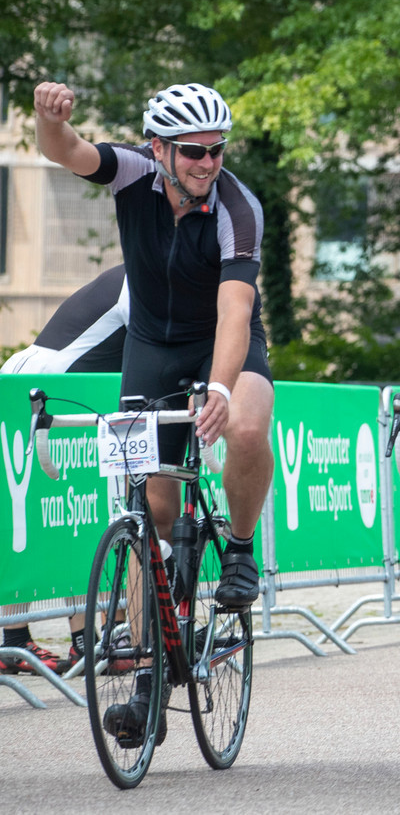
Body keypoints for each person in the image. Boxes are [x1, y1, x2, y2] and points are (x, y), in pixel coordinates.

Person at [33, 80, 275, 742]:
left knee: (250, 422)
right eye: (193, 151)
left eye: (217, 150)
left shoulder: (236, 208)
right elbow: (67, 151)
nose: (207, 162)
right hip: (150, 349)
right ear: (159, 148)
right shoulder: (133, 175)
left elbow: (235, 313)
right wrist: (47, 119)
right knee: (149, 518)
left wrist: (221, 390)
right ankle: (147, 682)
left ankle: (243, 552)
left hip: (222, 343)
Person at [1, 264, 129, 673]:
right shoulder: (142, 278)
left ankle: (77, 641)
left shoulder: (142, 271)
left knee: (73, 512)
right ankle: (16, 641)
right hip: (45, 387)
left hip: (62, 390)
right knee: (36, 516)